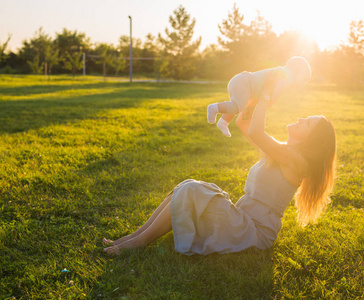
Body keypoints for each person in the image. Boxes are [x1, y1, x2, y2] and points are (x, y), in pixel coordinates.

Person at [103, 70, 336, 256]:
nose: (301, 119)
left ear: (312, 140)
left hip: (253, 231)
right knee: (185, 186)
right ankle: (131, 238)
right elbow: (245, 125)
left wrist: (266, 93)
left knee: (191, 190)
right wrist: (251, 98)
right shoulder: (282, 150)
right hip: (242, 218)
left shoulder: (296, 160)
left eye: (307, 123)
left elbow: (256, 132)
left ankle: (139, 243)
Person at [207, 56, 311, 137]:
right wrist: (270, 101)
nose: (302, 84)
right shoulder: (288, 76)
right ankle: (213, 108)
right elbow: (277, 90)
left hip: (243, 81)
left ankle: (223, 122)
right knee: (237, 106)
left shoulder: (282, 71)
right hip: (245, 84)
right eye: (304, 80)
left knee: (237, 106)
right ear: (297, 71)